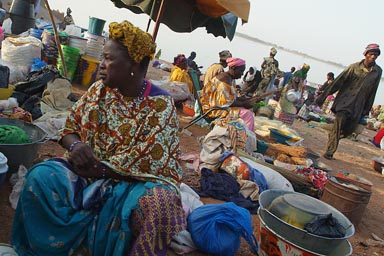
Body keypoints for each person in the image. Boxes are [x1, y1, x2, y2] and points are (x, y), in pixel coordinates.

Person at [11, 20, 186, 255]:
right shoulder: (99, 91)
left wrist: (101, 170)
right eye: (102, 58)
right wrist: (77, 145)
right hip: (86, 172)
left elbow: (151, 162)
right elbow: (69, 129)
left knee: (160, 206)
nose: (101, 65)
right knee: (40, 177)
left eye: (108, 59)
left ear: (133, 64)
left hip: (133, 183)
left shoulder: (160, 105)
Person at [315, 43, 382, 160]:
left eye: (376, 55)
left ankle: (334, 136)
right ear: (366, 54)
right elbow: (337, 82)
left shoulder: (377, 72)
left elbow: (373, 91)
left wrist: (367, 109)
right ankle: (330, 152)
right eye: (371, 54)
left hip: (358, 106)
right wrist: (322, 97)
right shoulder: (354, 67)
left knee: (349, 130)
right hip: (344, 102)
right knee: (338, 125)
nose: (373, 57)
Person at [199, 57, 259, 131]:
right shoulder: (224, 80)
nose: (243, 73)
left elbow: (232, 97)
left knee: (246, 111)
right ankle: (246, 137)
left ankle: (243, 135)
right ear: (233, 68)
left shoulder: (229, 78)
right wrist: (244, 103)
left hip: (217, 106)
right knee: (248, 114)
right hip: (213, 110)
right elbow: (226, 102)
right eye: (241, 71)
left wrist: (251, 99)